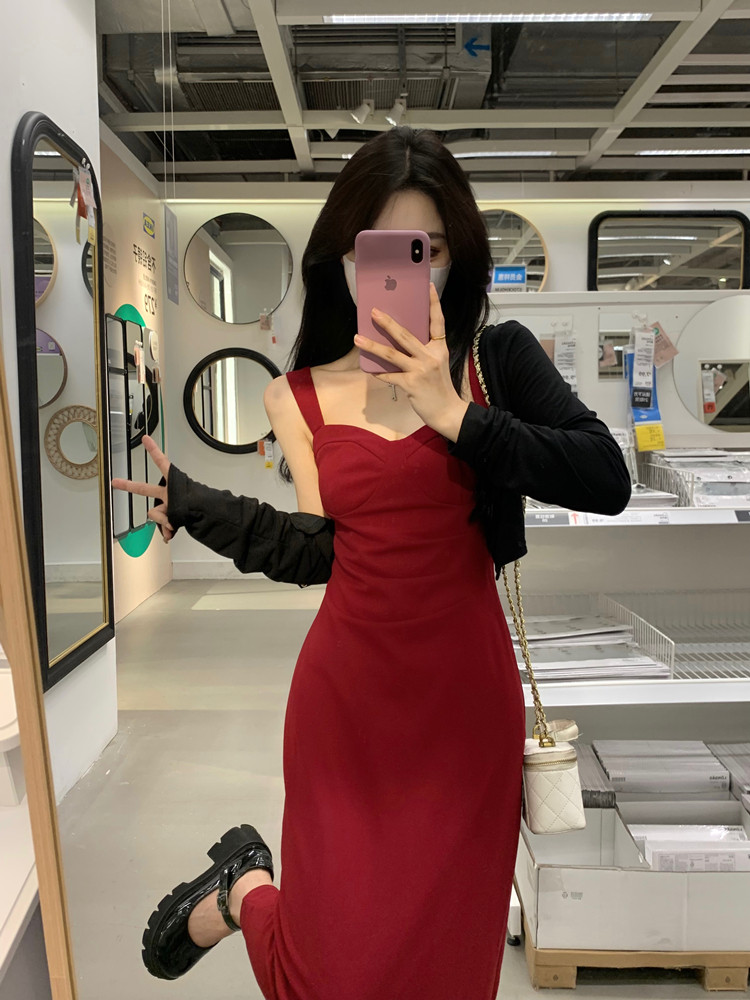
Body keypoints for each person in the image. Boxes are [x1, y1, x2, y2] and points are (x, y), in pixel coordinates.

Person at [113, 126, 631, 1000]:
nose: (403, 270)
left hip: (465, 710)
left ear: (455, 257)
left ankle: (238, 891)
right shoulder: (297, 394)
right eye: (380, 248)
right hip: (347, 707)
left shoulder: (496, 361)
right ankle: (246, 889)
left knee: (446, 964)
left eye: (426, 249)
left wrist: (452, 413)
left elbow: (605, 477)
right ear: (346, 259)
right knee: (334, 973)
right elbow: (320, 550)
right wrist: (198, 507)